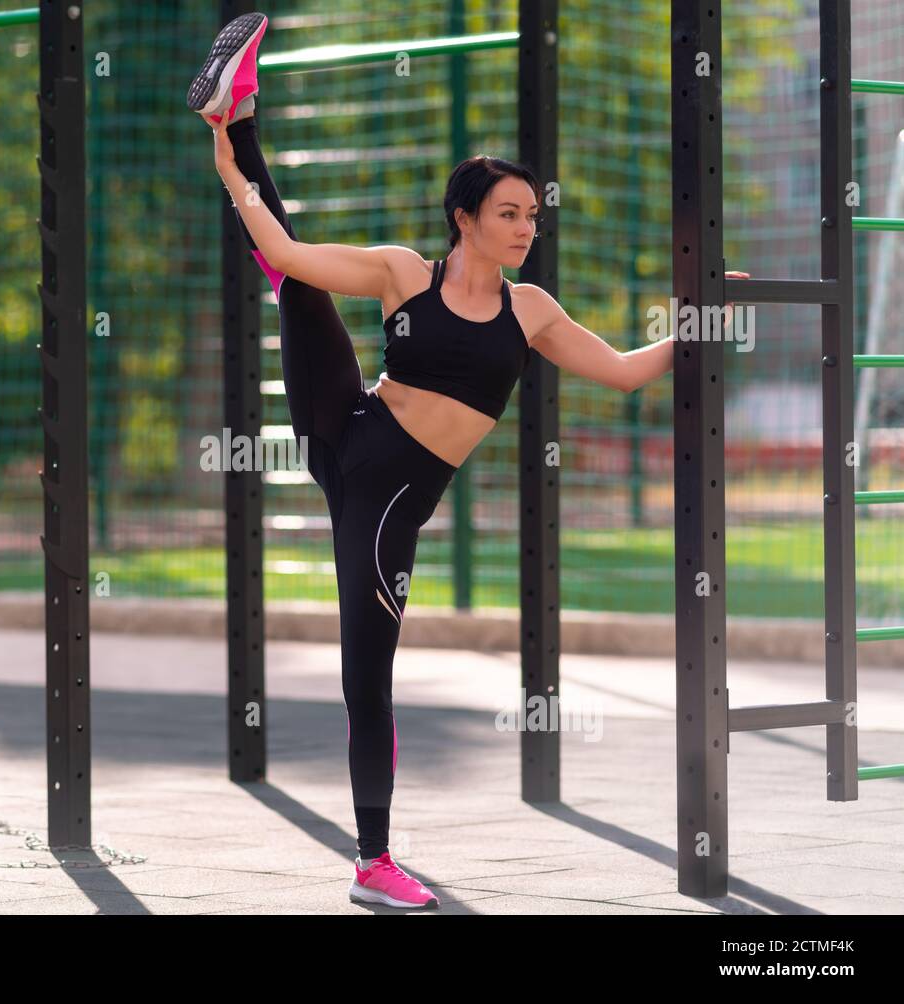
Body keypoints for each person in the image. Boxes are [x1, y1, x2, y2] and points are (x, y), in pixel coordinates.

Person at [189, 11, 742, 909]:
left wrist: (702, 316)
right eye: (508, 214)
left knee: (368, 676)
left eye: (531, 214)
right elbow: (284, 249)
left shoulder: (532, 313)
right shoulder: (406, 273)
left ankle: (370, 862)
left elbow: (627, 374)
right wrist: (231, 178)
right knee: (295, 288)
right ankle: (235, 117)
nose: (526, 227)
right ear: (466, 219)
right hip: (350, 428)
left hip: (389, 497)